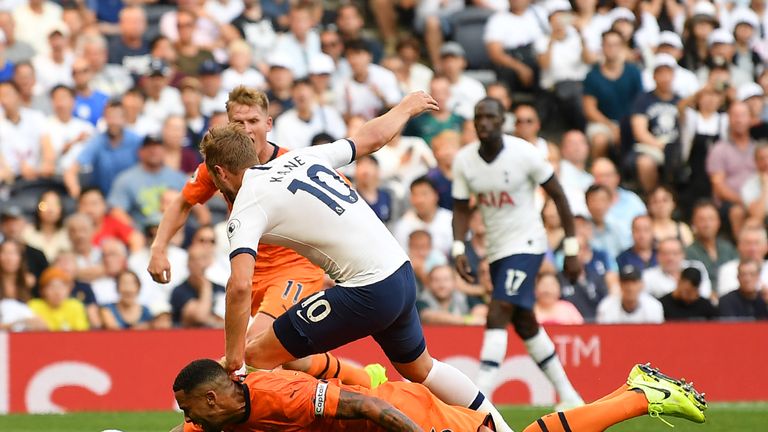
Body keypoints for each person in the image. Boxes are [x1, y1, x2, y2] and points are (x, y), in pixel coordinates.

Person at [200, 93, 513, 431]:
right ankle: (501, 427)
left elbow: (240, 285)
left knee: (257, 355)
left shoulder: (247, 203)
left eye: (215, 181)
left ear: (220, 172)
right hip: (400, 273)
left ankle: (336, 408)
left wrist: (234, 359)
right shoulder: (303, 157)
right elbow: (371, 139)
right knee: (420, 368)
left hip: (368, 288)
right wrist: (405, 107)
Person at [148, 85, 374, 389]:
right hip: (253, 273)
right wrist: (158, 247)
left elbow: (345, 200)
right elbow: (183, 202)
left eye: (253, 121)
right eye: (238, 123)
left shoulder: (291, 163)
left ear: (268, 124)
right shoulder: (219, 167)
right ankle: (363, 378)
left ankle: (214, 400)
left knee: (253, 346)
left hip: (295, 269)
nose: (247, 129)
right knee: (283, 355)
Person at [452, 98, 583, 409]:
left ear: (502, 121)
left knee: (498, 311)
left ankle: (478, 400)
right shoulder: (464, 161)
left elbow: (559, 196)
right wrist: (459, 246)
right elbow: (459, 207)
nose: (483, 123)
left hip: (527, 244)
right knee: (524, 323)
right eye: (478, 117)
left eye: (490, 117)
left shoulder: (525, 153)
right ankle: (569, 396)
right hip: (497, 250)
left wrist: (572, 247)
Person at [172, 359, 707, 432]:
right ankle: (631, 390)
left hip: (405, 415)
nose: (184, 416)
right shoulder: (223, 412)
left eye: (188, 408)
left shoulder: (278, 395)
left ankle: (638, 396)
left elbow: (368, 406)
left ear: (213, 400)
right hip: (387, 398)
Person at [583, 30, 643, 159]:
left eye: (615, 45)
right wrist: (611, 126)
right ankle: (599, 173)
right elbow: (589, 109)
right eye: (608, 45)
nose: (611, 49)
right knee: (599, 140)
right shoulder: (592, 75)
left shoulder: (634, 72)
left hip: (630, 121)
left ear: (622, 47)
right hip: (603, 123)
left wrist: (625, 126)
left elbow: (640, 103)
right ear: (602, 47)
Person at [107, 135, 187, 231]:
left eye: (158, 146)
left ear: (164, 151)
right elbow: (116, 211)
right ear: (140, 152)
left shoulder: (178, 178)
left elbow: (197, 207)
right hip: (141, 234)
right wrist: (135, 232)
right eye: (149, 147)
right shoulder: (126, 179)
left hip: (174, 233)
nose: (153, 150)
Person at [394, 176, 453, 257]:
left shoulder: (450, 219)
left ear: (436, 195)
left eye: (424, 194)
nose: (419, 200)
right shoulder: (403, 226)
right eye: (415, 194)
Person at [685, 200, 737, 288]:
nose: (707, 224)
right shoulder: (688, 252)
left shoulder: (728, 248)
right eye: (702, 220)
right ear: (693, 223)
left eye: (711, 219)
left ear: (718, 222)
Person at [170, 244, 225, 328]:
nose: (199, 263)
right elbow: (199, 317)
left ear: (209, 262)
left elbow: (229, 322)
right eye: (194, 259)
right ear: (188, 263)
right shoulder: (179, 291)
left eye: (203, 258)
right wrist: (206, 287)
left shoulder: (220, 289)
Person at [642, 238, 712, 300]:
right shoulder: (648, 276)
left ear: (683, 254)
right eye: (665, 254)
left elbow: (705, 294)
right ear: (657, 256)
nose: (670, 258)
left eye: (675, 253)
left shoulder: (697, 267)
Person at [416, 264, 486, 326]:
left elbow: (481, 310)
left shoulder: (462, 297)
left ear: (454, 282)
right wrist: (466, 320)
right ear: (429, 284)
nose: (442, 285)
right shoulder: (421, 300)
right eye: (436, 280)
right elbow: (428, 317)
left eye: (446, 279)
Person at [597, 264, 665, 324]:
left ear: (641, 284)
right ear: (620, 284)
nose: (630, 287)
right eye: (625, 283)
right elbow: (604, 334)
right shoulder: (606, 306)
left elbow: (656, 335)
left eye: (634, 282)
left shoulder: (654, 306)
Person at [28, 266, 89, 331]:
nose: (57, 292)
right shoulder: (34, 306)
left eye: (61, 287)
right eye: (52, 287)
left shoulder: (75, 305)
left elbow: (82, 333)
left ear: (68, 289)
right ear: (42, 290)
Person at [22, 190, 70, 263]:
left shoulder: (69, 233)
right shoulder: (27, 231)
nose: (50, 210)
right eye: (45, 205)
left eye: (55, 205)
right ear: (38, 208)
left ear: (61, 209)